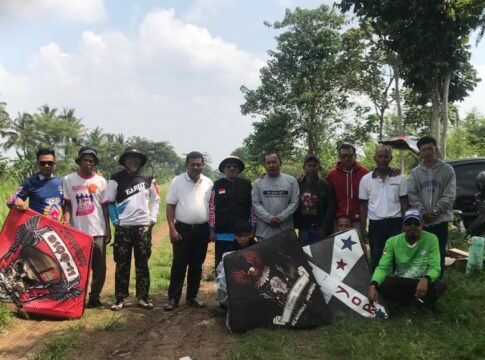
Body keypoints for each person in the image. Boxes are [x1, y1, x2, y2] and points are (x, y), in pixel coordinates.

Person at [107, 148, 160, 311]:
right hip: (123, 228)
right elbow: (109, 202)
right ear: (124, 160)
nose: (133, 161)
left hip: (143, 227)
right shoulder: (115, 178)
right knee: (122, 264)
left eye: (136, 158)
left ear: (140, 161)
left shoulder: (148, 178)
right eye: (129, 158)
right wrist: (116, 221)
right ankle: (120, 298)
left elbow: (155, 200)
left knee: (142, 263)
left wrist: (152, 220)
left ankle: (143, 297)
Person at [368, 209, 446, 311]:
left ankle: (406, 305)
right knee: (383, 284)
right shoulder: (392, 241)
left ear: (422, 225)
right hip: (402, 280)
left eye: (416, 223)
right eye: (408, 224)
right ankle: (416, 304)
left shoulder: (432, 239)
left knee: (439, 285)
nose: (412, 227)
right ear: (403, 226)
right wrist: (373, 285)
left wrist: (425, 279)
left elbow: (435, 267)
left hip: (423, 281)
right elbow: (383, 267)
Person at [164, 151, 213, 311]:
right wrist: (172, 228)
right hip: (182, 229)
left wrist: (212, 229)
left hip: (202, 230)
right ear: (187, 165)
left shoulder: (208, 182)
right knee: (179, 264)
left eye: (199, 164)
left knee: (197, 265)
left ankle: (192, 297)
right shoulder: (177, 181)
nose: (196, 167)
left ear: (203, 165)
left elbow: (212, 208)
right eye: (193, 164)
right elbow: (170, 205)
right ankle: (173, 298)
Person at [63, 146, 111, 308]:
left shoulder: (101, 181)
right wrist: (67, 222)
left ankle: (95, 297)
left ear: (94, 163)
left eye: (91, 161)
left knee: (99, 267)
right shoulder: (69, 180)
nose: (88, 163)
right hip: (77, 232)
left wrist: (108, 229)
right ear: (80, 161)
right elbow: (67, 204)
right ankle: (78, 299)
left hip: (97, 230)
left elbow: (104, 207)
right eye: (85, 160)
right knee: (77, 266)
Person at [407, 136, 456, 275]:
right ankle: (421, 280)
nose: (427, 152)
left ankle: (437, 281)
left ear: (436, 149)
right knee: (421, 251)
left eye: (430, 148)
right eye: (423, 150)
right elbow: (412, 194)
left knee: (439, 251)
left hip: (440, 219)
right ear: (420, 153)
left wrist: (435, 211)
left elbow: (450, 194)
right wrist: (423, 212)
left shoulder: (447, 170)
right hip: (422, 221)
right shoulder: (415, 173)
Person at [359, 145, 408, 272]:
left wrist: (405, 224)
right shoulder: (366, 179)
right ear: (375, 158)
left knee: (397, 256)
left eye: (386, 156)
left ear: (390, 158)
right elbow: (363, 205)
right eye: (380, 156)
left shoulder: (400, 178)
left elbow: (404, 202)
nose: (383, 159)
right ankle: (376, 286)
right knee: (376, 256)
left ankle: (395, 285)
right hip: (376, 224)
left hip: (396, 223)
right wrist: (363, 228)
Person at [209, 155, 255, 268]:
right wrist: (211, 229)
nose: (231, 168)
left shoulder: (247, 185)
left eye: (235, 166)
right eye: (228, 166)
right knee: (222, 266)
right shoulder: (217, 185)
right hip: (222, 235)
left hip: (243, 236)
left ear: (238, 169)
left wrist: (253, 229)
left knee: (244, 268)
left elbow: (253, 207)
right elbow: (212, 207)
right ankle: (222, 286)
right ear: (224, 169)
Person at [251, 152, 299, 240]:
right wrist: (269, 219)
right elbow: (255, 204)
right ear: (264, 165)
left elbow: (294, 203)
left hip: (286, 231)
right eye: (268, 163)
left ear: (280, 163)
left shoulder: (291, 181)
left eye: (274, 162)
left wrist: (281, 218)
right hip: (264, 233)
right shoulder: (257, 183)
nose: (271, 165)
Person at [7, 148, 64, 221]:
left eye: (50, 163)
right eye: (42, 163)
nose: (46, 166)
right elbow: (10, 201)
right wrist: (17, 201)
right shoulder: (30, 182)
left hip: (57, 228)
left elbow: (68, 204)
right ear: (37, 164)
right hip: (37, 228)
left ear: (55, 163)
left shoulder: (61, 182)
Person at [326, 144, 369, 234]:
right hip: (338, 221)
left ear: (355, 156)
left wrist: (392, 172)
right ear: (339, 157)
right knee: (337, 247)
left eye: (349, 156)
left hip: (357, 220)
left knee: (358, 246)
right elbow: (322, 188)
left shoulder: (365, 173)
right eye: (343, 156)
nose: (346, 159)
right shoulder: (332, 174)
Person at [294, 154, 336, 246]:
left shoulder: (326, 185)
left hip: (319, 229)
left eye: (315, 165)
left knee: (321, 257)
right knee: (305, 256)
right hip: (303, 228)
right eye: (309, 165)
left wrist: (324, 227)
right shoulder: (298, 184)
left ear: (319, 167)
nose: (312, 168)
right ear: (304, 167)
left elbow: (331, 207)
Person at [216, 219, 256, 311]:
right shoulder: (229, 251)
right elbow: (223, 273)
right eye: (239, 236)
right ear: (235, 237)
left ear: (250, 234)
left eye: (245, 236)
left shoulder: (257, 248)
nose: (242, 239)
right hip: (236, 282)